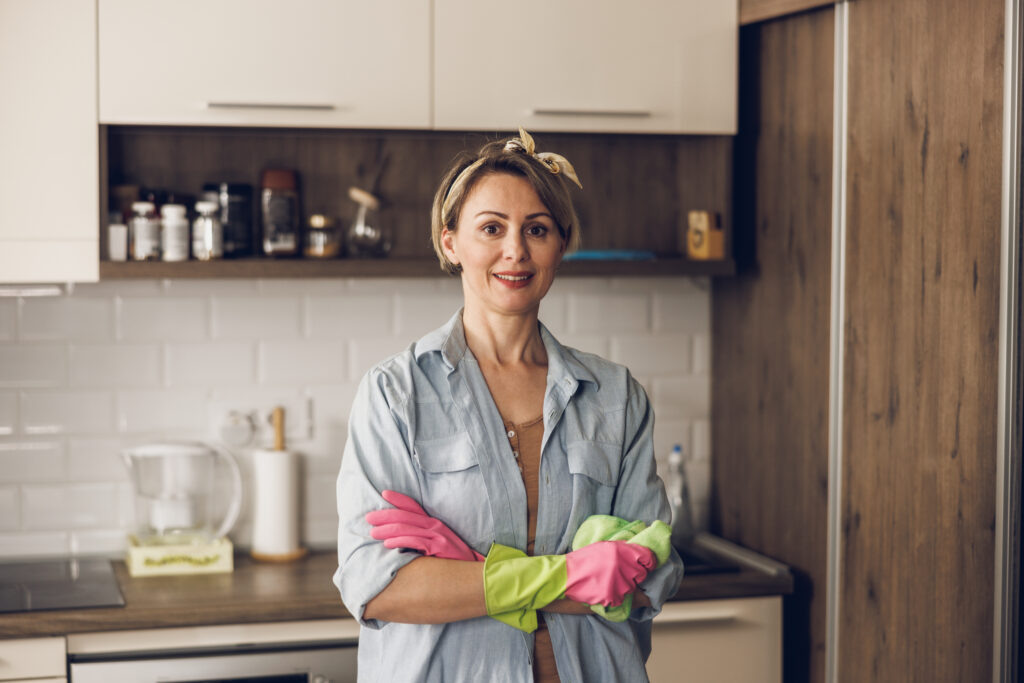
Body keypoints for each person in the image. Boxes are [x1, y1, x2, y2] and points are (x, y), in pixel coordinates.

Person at [334, 129, 684, 682]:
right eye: (491, 228)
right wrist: (573, 574)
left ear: (560, 245)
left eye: (537, 230)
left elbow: (646, 578)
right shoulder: (396, 393)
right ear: (451, 242)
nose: (515, 251)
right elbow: (377, 585)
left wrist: (468, 573)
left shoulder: (615, 398)